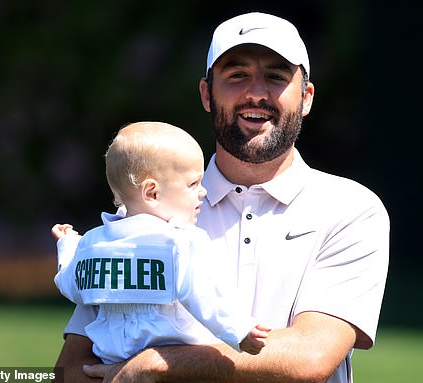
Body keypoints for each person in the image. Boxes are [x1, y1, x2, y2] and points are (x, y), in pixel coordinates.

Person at [55, 12, 389, 383]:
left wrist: (156, 364)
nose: (257, 93)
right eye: (236, 75)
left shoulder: (351, 209)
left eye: (276, 77)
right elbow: (72, 366)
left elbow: (309, 358)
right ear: (206, 94)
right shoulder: (146, 211)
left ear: (307, 97)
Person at [51, 121, 270, 365]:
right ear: (152, 193)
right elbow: (203, 293)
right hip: (176, 364)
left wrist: (68, 245)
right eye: (193, 184)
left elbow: (70, 285)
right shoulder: (178, 241)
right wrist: (239, 330)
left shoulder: (92, 244)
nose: (203, 192)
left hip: (110, 361)